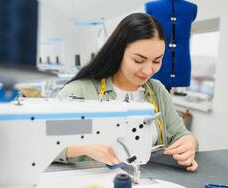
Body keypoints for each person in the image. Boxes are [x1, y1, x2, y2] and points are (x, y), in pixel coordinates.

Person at [56, 13, 198, 171]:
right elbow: (43, 144)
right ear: (118, 52)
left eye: (157, 61)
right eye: (138, 60)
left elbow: (180, 134)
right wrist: (82, 147)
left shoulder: (157, 91)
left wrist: (189, 141)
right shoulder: (79, 91)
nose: (148, 70)